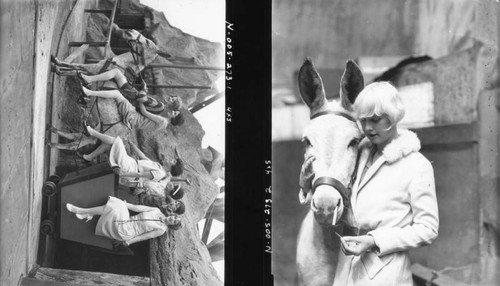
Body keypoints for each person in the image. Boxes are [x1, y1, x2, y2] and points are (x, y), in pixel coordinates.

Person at [333, 82, 439, 286]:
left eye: (375, 119)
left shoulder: (416, 165)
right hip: (346, 266)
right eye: (363, 121)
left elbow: (428, 228)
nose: (368, 128)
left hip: (385, 273)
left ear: (393, 116)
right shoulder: (360, 154)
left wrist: (374, 240)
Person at [78, 126, 174, 188]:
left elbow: (139, 175)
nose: (168, 159)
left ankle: (92, 132)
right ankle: (88, 158)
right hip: (131, 162)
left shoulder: (160, 174)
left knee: (117, 141)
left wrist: (122, 175)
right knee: (108, 145)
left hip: (129, 169)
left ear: (171, 168)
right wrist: (131, 143)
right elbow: (143, 156)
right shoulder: (159, 167)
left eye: (171, 161)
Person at [66, 196, 181, 246]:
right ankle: (85, 212)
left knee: (115, 209)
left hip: (127, 232)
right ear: (172, 214)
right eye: (175, 217)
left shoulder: (161, 229)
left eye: (175, 221)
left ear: (172, 225)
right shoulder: (157, 210)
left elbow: (145, 237)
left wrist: (128, 242)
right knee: (118, 204)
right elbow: (138, 208)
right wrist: (126, 204)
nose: (173, 219)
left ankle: (83, 212)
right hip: (126, 220)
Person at [78, 78, 184, 132]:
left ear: (174, 118)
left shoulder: (163, 121)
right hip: (134, 122)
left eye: (174, 113)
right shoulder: (162, 125)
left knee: (117, 93)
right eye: (174, 111)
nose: (172, 112)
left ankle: (89, 92)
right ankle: (88, 100)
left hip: (132, 117)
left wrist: (142, 99)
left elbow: (144, 112)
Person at [76, 68, 172, 114]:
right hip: (132, 93)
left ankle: (88, 92)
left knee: (117, 89)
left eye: (172, 100)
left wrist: (143, 89)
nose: (169, 98)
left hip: (131, 100)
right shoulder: (160, 104)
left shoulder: (160, 106)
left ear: (171, 107)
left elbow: (141, 98)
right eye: (172, 97)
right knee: (117, 72)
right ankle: (89, 79)